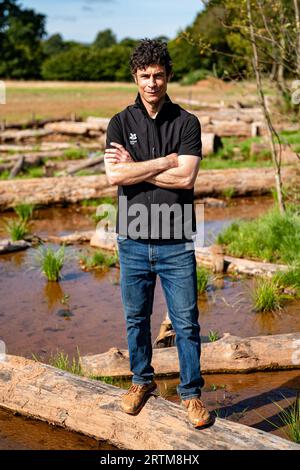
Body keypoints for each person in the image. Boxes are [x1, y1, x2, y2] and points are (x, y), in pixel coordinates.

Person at [104, 39, 212, 429]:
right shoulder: (119, 122)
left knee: (186, 322)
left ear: (168, 77)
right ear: (135, 77)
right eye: (145, 76)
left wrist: (141, 166)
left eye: (158, 75)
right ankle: (141, 382)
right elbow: (115, 175)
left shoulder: (186, 122)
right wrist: (165, 161)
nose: (152, 83)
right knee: (136, 318)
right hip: (131, 239)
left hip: (177, 241)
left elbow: (185, 177)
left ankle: (191, 394)